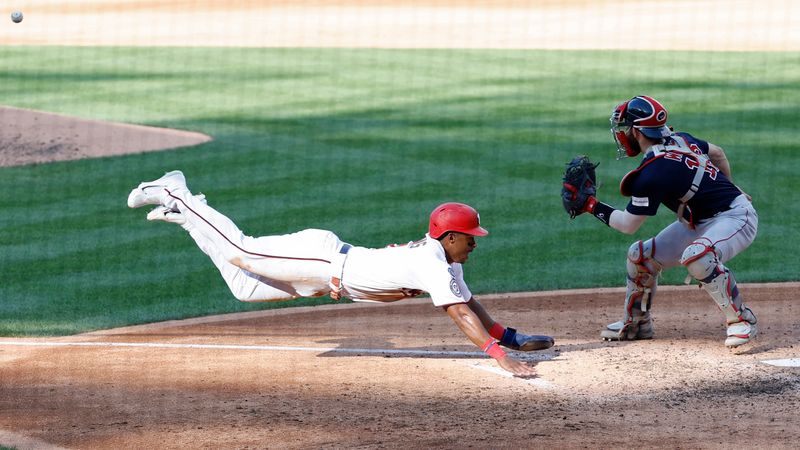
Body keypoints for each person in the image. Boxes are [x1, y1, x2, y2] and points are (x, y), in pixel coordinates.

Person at [127, 171, 553, 376]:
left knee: (241, 285)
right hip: (321, 260)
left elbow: (471, 305)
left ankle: (186, 217)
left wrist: (511, 338)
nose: (475, 242)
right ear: (448, 237)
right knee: (242, 250)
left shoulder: (444, 262)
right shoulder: (431, 262)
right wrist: (500, 358)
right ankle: (175, 191)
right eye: (469, 236)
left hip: (322, 280)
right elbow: (460, 315)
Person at [566, 95, 758, 347]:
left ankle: (741, 321)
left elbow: (628, 224)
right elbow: (718, 153)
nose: (622, 135)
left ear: (636, 131)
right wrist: (730, 185)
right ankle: (637, 323)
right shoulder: (682, 139)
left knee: (697, 255)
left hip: (736, 217)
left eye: (625, 129)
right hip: (701, 221)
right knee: (641, 256)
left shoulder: (653, 172)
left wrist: (592, 206)